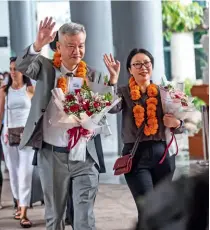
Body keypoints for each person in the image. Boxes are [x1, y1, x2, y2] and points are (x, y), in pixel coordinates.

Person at [15, 17, 119, 230]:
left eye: (81, 45)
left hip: (85, 156)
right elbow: (22, 65)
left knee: (84, 218)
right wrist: (38, 44)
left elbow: (113, 107)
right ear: (59, 47)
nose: (77, 51)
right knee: (55, 218)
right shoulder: (45, 68)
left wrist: (113, 82)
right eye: (70, 46)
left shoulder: (94, 75)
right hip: (52, 155)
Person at [106, 48, 184, 227]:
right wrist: (113, 80)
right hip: (136, 156)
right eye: (137, 64)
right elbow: (110, 108)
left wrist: (177, 124)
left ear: (152, 66)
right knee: (147, 207)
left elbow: (182, 125)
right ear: (129, 69)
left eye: (146, 63)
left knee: (163, 208)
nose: (143, 67)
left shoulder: (165, 92)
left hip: (163, 155)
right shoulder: (123, 92)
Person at [0, 57, 35, 228]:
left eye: (16, 69)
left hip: (26, 136)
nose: (13, 72)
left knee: (25, 174)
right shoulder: (4, 91)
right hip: (8, 136)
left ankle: (24, 213)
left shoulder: (30, 89)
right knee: (14, 174)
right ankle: (18, 203)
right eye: (11, 69)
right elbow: (0, 115)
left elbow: (37, 113)